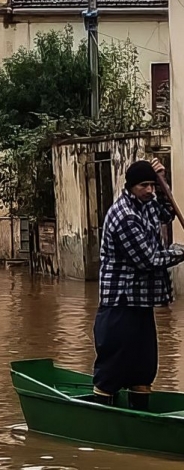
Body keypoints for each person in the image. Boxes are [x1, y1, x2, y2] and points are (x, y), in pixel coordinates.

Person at [93, 158, 184, 410]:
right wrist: (181, 252)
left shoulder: (148, 202)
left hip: (142, 301)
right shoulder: (124, 216)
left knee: (144, 368)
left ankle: (140, 416)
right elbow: (148, 260)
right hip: (120, 302)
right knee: (113, 367)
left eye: (151, 185)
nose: (149, 190)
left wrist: (163, 180)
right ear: (131, 186)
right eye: (144, 185)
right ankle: (103, 417)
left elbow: (167, 212)